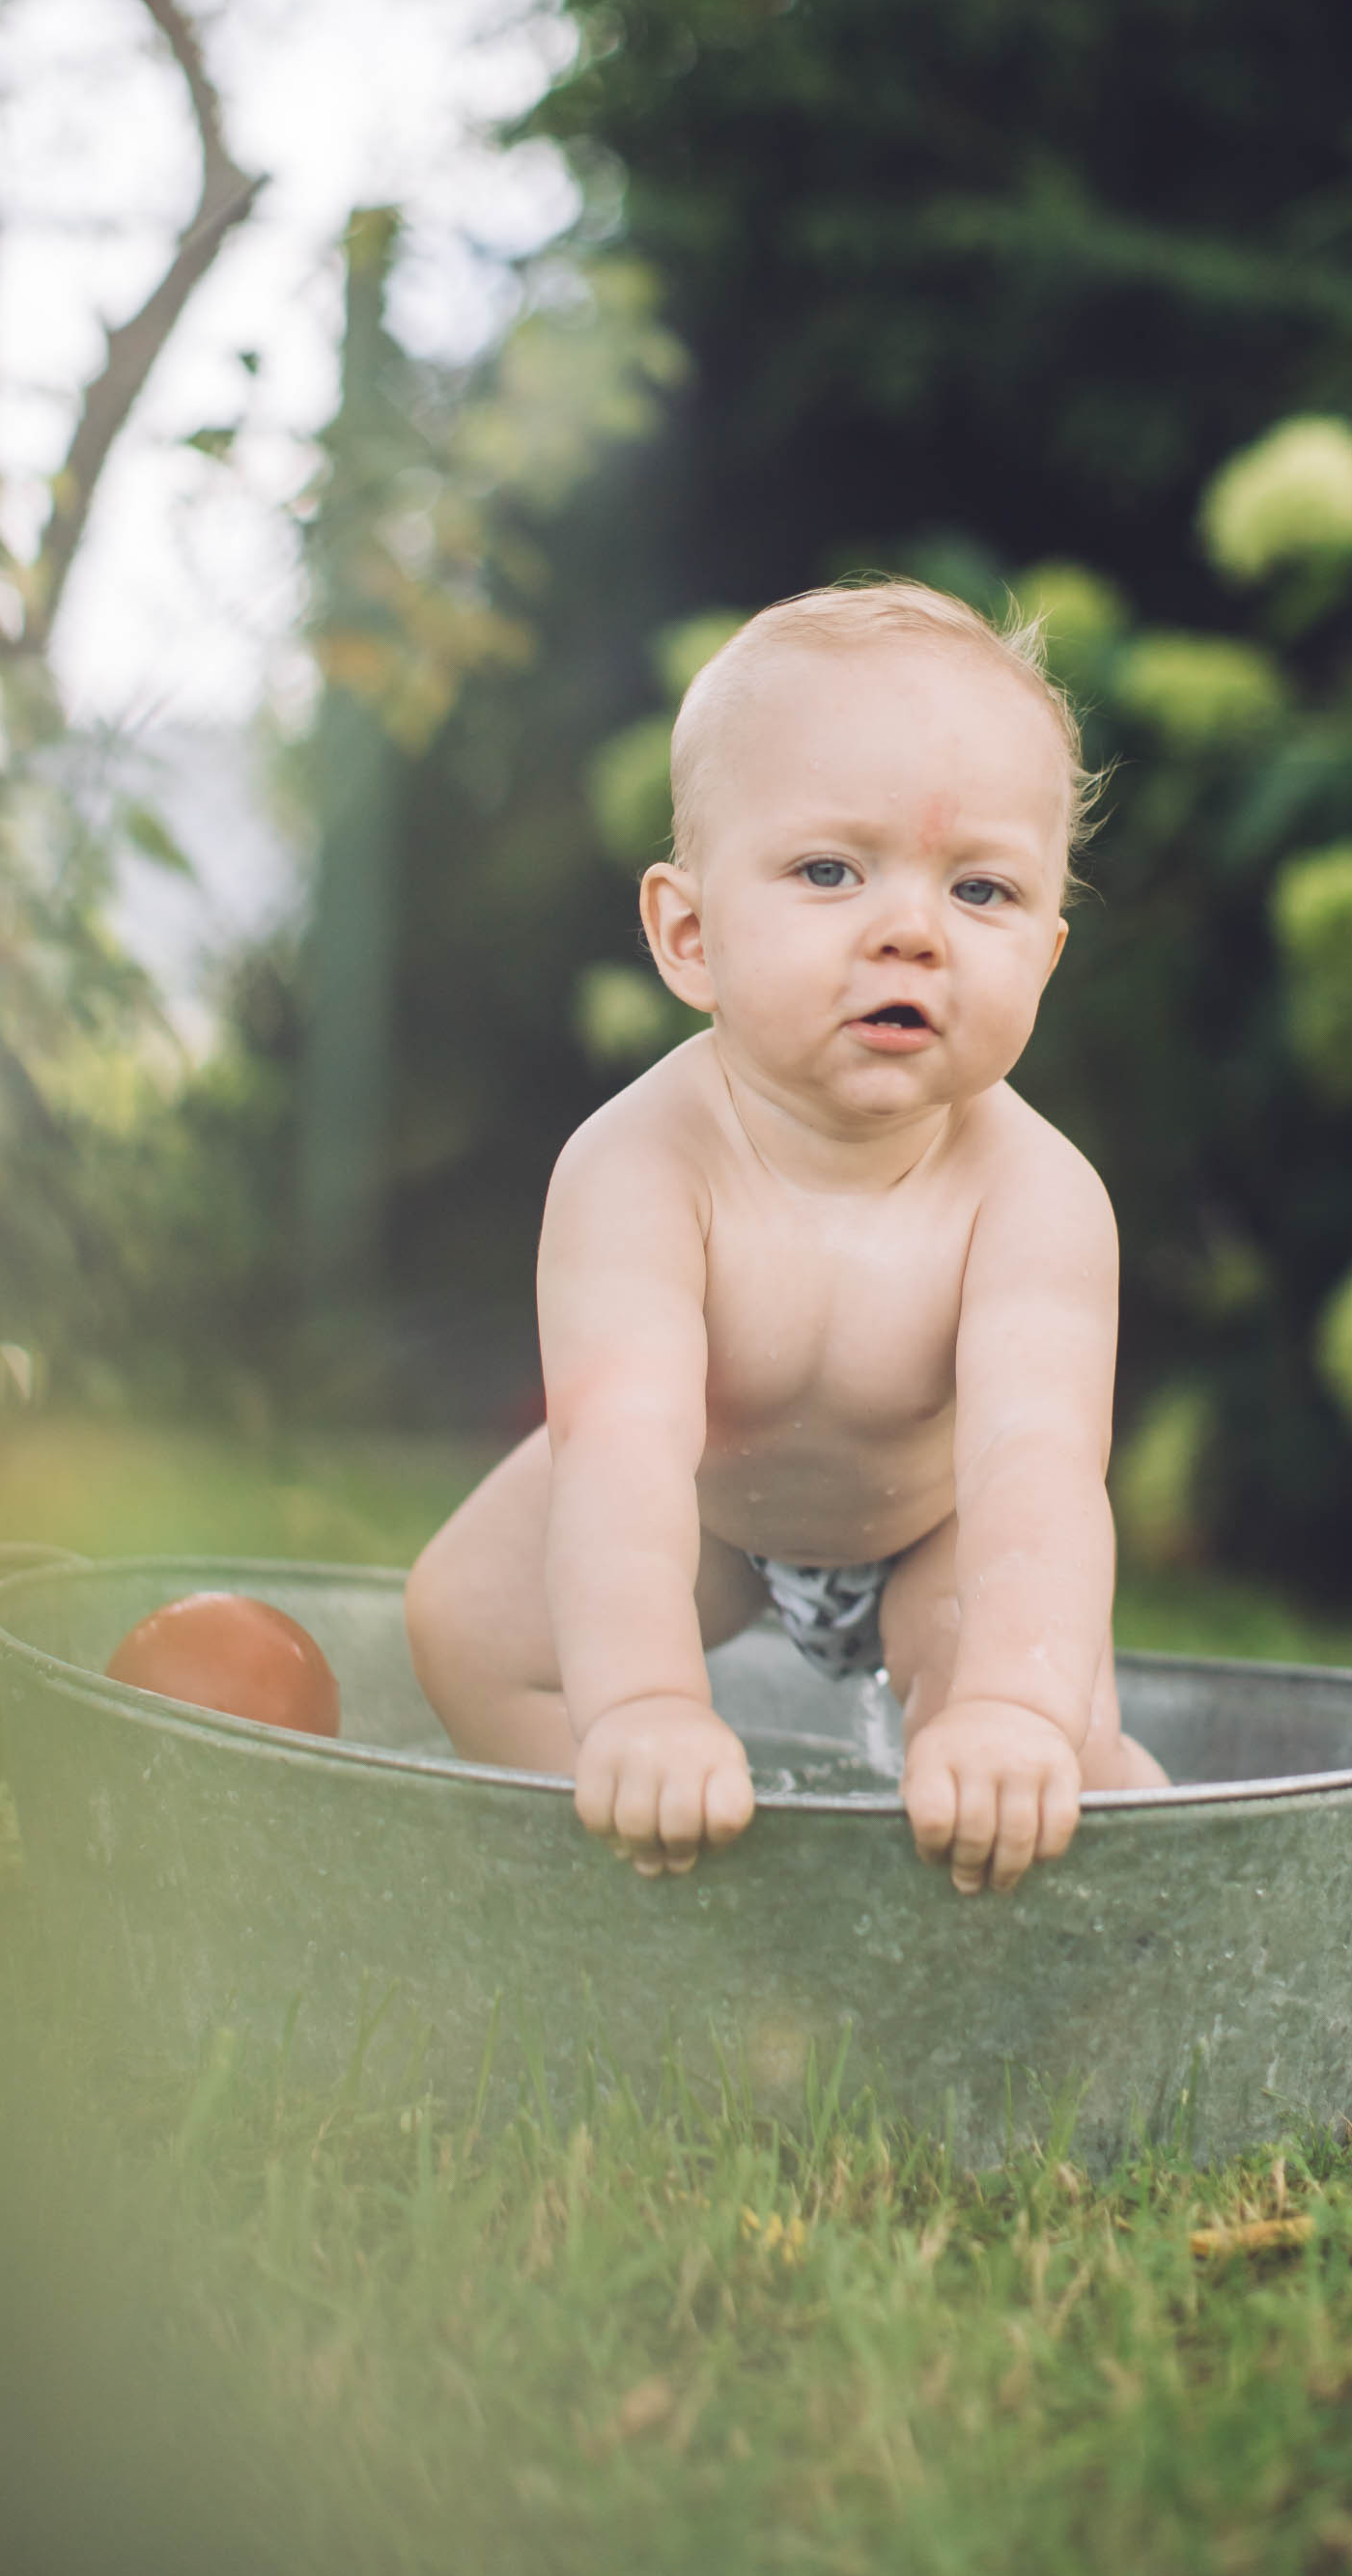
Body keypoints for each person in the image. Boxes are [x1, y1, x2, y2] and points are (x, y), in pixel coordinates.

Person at [405, 580, 1167, 1894]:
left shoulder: (1036, 1197)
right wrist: (642, 1701)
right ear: (690, 936)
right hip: (705, 1511)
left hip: (935, 1533)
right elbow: (622, 1445)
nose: (911, 931)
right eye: (829, 871)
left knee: (1049, 1738)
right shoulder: (639, 1168)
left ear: (1043, 960)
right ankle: (640, 1863)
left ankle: (1160, 1867)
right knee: (464, 1625)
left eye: (981, 889)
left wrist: (1014, 1708)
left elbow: (1035, 1473)